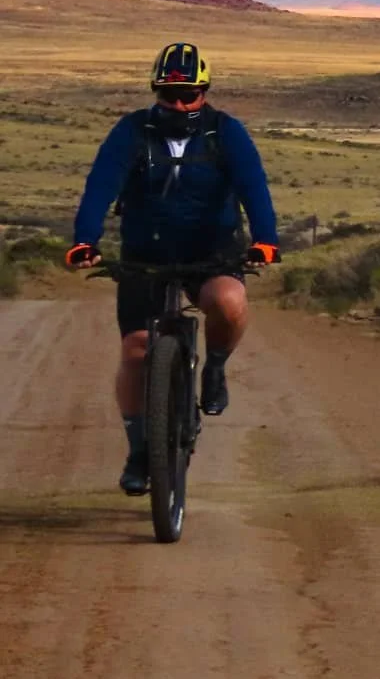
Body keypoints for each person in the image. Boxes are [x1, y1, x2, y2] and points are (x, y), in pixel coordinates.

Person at [64, 43, 280, 496]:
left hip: (213, 251)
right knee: (136, 351)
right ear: (155, 91)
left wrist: (265, 241)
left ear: (205, 91)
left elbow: (253, 186)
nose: (179, 104)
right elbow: (102, 183)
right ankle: (141, 450)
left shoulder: (226, 132)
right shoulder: (132, 131)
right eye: (168, 95)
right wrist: (84, 239)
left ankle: (215, 368)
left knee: (228, 301)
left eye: (189, 96)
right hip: (147, 253)